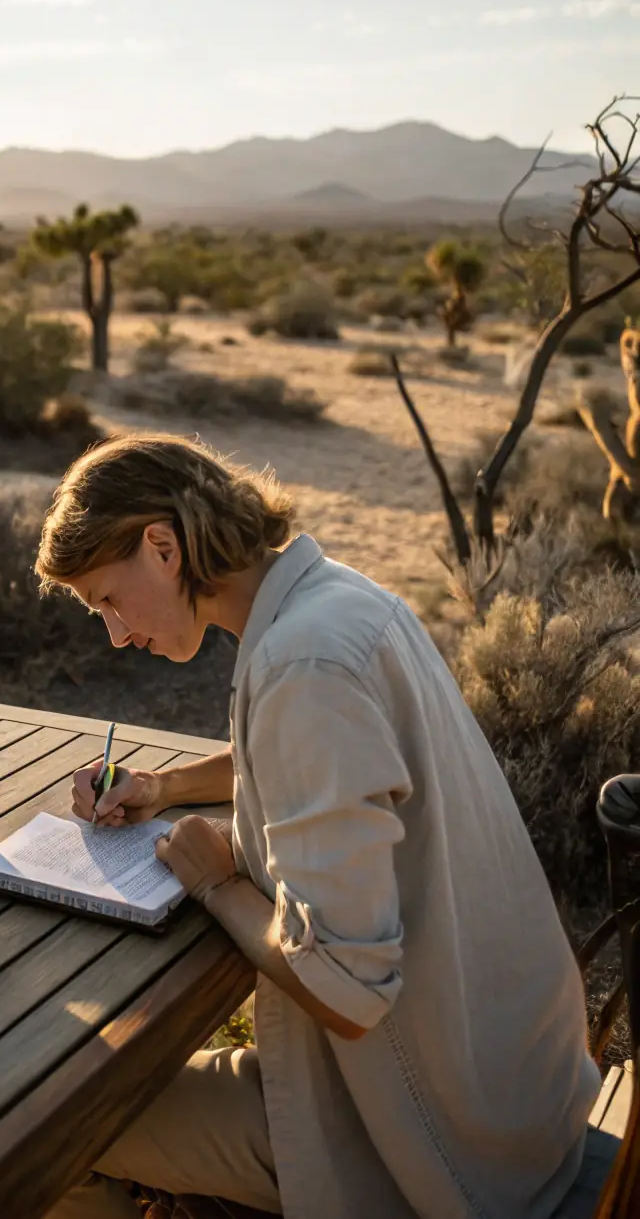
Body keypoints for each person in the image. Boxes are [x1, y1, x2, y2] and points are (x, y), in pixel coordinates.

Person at [34, 433, 600, 1219]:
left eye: (105, 598)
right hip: (518, 1088)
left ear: (161, 546)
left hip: (429, 1137)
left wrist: (218, 883)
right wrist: (163, 786)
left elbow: (349, 989)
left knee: (50, 1129)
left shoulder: (303, 668)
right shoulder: (333, 602)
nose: (117, 632)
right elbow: (304, 759)